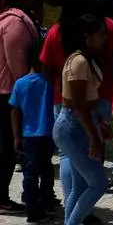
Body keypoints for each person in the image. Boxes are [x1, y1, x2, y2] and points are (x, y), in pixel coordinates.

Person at [52, 14, 109, 225]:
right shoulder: (79, 61)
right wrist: (93, 136)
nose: (104, 37)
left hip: (81, 124)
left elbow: (90, 97)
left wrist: (99, 122)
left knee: (79, 187)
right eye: (100, 33)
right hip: (73, 127)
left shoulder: (87, 59)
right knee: (99, 184)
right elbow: (78, 105)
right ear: (87, 35)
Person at [0, 0, 39, 215]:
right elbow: (17, 63)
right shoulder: (15, 22)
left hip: (8, 91)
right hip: (9, 93)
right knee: (8, 147)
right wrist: (28, 93)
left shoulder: (12, 18)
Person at [9, 45, 54, 222]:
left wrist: (16, 137)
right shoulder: (50, 83)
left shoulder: (20, 84)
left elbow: (15, 112)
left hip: (28, 134)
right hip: (48, 133)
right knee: (47, 170)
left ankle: (32, 209)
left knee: (30, 173)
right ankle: (47, 203)